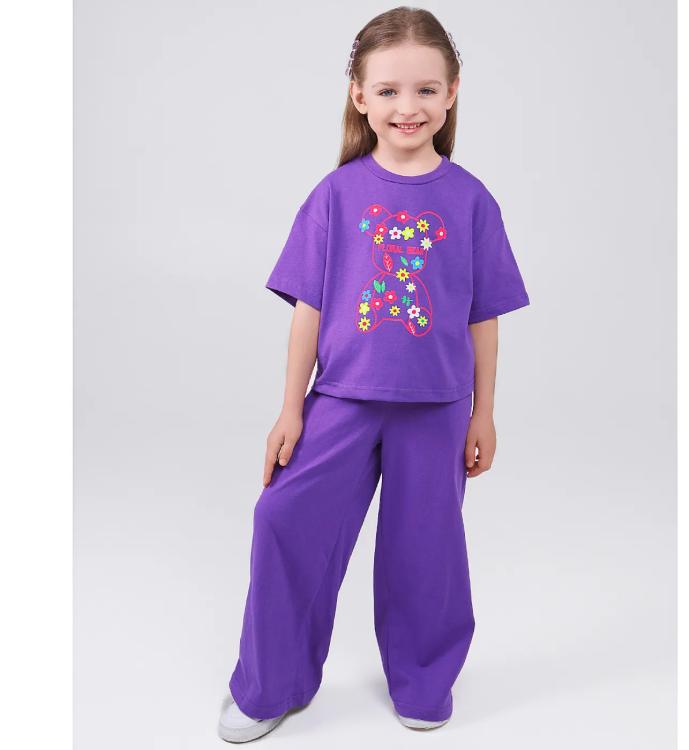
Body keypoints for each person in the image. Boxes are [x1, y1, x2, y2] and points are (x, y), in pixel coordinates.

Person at [218, 6, 530, 743]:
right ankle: (272, 683)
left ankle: (423, 680)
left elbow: (483, 316)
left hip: (438, 407)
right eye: (388, 90)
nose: (407, 106)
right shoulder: (335, 195)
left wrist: (484, 412)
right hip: (341, 400)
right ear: (359, 95)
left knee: (426, 550)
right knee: (284, 522)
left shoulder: (471, 200)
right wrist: (290, 409)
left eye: (425, 89)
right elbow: (308, 310)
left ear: (452, 92)